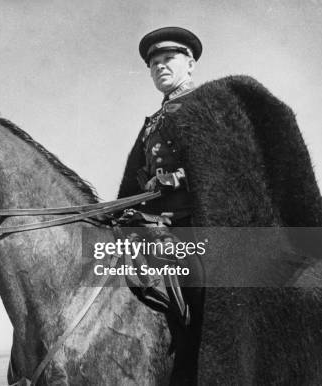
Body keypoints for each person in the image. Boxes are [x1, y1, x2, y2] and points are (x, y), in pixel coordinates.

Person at [118, 26, 206, 385]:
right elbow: (136, 177)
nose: (160, 67)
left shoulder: (202, 106)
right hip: (156, 220)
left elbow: (215, 162)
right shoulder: (152, 121)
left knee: (208, 298)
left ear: (191, 64)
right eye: (153, 63)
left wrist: (175, 178)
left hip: (194, 222)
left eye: (168, 59)